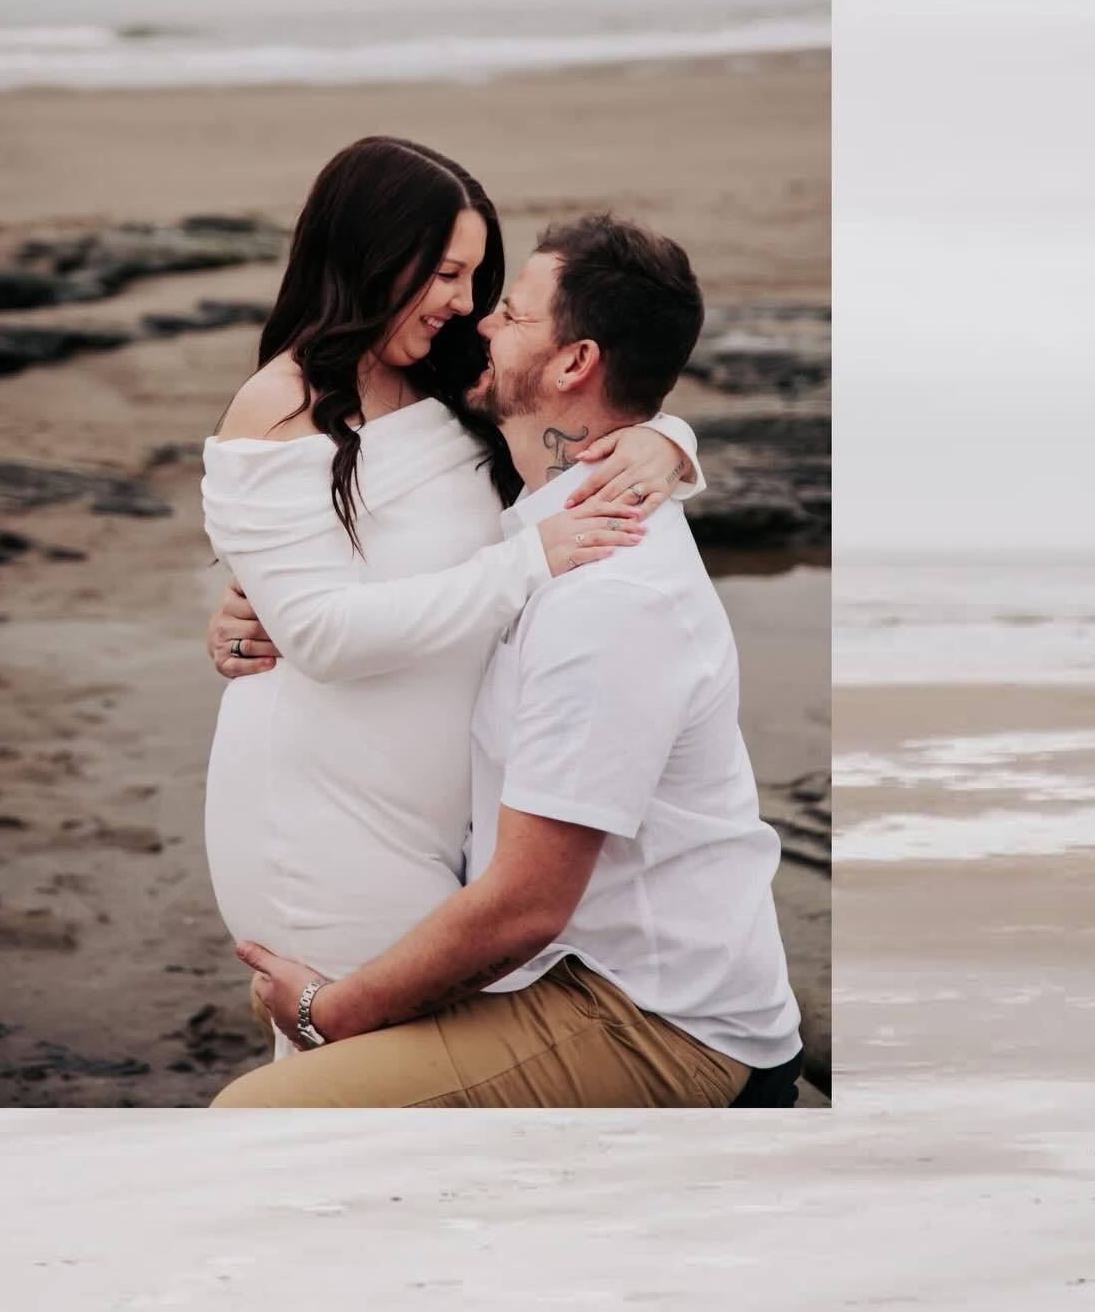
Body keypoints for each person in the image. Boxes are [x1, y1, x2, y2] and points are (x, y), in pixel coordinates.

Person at [211, 214, 802, 1107]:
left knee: (256, 1118)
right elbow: (377, 580)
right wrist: (259, 609)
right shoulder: (536, 515)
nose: (480, 321)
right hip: (568, 972)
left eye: (513, 313)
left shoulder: (605, 595)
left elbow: (526, 907)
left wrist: (330, 1014)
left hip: (644, 1013)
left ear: (573, 365)